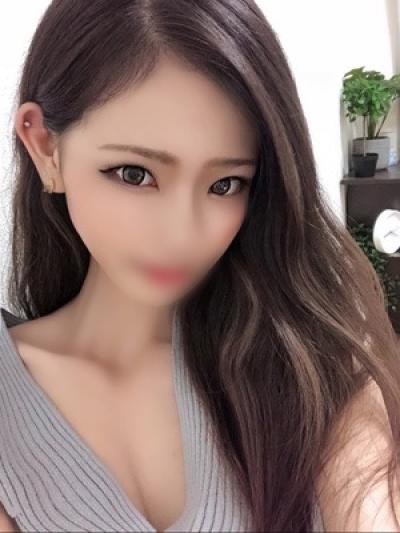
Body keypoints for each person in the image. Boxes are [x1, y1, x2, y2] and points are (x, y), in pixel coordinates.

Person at [1, 0, 399, 531]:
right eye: (135, 174)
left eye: (224, 185)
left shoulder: (315, 373)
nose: (181, 234)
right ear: (45, 147)